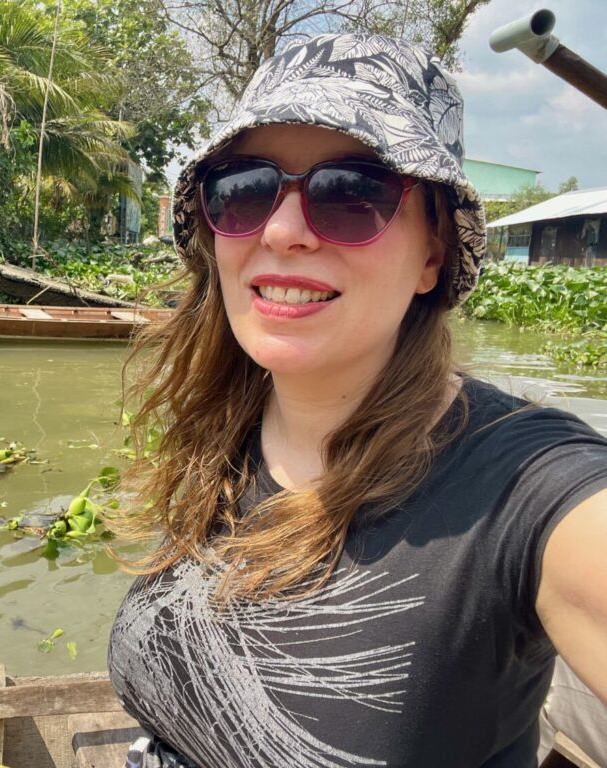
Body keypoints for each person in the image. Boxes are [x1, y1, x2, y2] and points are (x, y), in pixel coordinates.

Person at [107, 33, 607, 768]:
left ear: (433, 253)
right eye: (243, 188)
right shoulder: (225, 427)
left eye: (352, 194)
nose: (282, 230)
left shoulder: (524, 490)